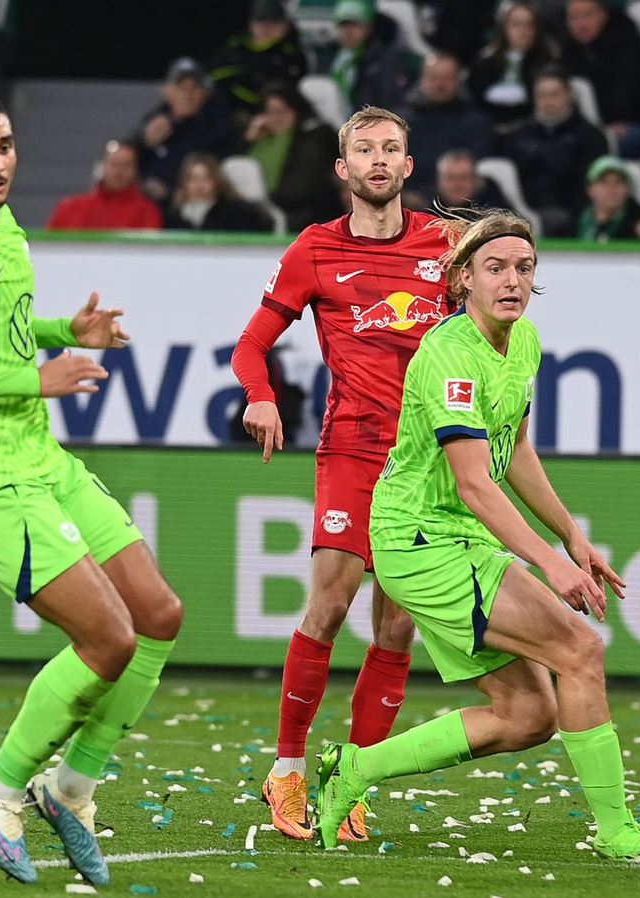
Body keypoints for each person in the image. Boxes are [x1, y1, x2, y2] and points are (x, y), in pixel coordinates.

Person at [312, 208, 640, 867]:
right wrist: (550, 565)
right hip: (421, 540)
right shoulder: (448, 355)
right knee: (580, 650)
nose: (512, 280)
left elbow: (514, 453)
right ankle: (616, 829)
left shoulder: (525, 341)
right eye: (495, 268)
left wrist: (571, 535)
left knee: (528, 715)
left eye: (524, 267)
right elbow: (475, 484)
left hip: (455, 538)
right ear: (463, 278)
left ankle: (354, 769)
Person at [232, 105, 453, 844]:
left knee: (398, 624)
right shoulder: (314, 249)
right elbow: (251, 344)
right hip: (354, 449)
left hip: (424, 460)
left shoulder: (446, 247)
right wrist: (261, 396)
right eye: (365, 149)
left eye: (391, 148)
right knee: (328, 606)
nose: (379, 160)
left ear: (409, 166)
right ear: (343, 167)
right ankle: (288, 769)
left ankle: (353, 777)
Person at [0, 96, 183, 884]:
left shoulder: (6, 228)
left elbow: (1, 335)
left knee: (158, 614)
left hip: (43, 456)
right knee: (109, 637)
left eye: (4, 145)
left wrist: (67, 332)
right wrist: (37, 379)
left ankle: (69, 789)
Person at [502, 69, 608, 237]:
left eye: (555, 94)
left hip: (576, 216)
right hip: (525, 213)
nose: (548, 101)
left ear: (569, 96)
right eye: (542, 95)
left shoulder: (590, 135)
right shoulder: (519, 135)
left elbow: (593, 182)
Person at [559, 0, 640, 158]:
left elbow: (630, 94)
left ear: (603, 15)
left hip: (634, 123)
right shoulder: (568, 49)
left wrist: (611, 124)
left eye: (587, 15)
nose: (580, 24)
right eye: (574, 17)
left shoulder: (627, 44)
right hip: (588, 126)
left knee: (590, 145)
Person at [131, 57, 235, 206]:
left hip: (189, 205)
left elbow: (214, 173)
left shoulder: (218, 128)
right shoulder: (154, 122)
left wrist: (169, 188)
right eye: (181, 88)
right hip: (143, 202)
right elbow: (126, 161)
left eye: (194, 88)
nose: (188, 95)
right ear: (166, 91)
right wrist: (143, 142)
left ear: (206, 93)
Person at [397, 52, 495, 205]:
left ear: (458, 80)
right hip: (409, 205)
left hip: (466, 205)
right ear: (422, 80)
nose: (440, 84)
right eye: (433, 77)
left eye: (447, 78)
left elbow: (480, 172)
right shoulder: (400, 124)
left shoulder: (477, 123)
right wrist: (403, 195)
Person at [244, 82, 343, 232]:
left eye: (281, 112)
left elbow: (302, 186)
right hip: (265, 213)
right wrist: (247, 141)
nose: (276, 118)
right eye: (270, 112)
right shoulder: (261, 139)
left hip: (307, 218)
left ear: (295, 110)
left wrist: (269, 204)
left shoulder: (313, 137)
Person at [468, 2, 558, 134]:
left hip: (531, 132)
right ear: (504, 28)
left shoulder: (547, 63)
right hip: (487, 130)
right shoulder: (485, 63)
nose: (523, 31)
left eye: (529, 25)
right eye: (517, 24)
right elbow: (473, 101)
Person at [209, 0, 308, 120]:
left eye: (273, 22)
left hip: (276, 117)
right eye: (260, 21)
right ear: (251, 24)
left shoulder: (293, 56)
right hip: (229, 115)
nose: (266, 27)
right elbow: (214, 78)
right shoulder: (234, 49)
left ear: (285, 26)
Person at [46, 139, 163, 231]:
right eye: (114, 164)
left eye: (126, 165)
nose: (119, 172)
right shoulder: (68, 208)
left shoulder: (147, 212)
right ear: (101, 167)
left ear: (136, 170)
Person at [326, 0, 412, 115]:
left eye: (355, 26)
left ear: (368, 28)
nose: (348, 32)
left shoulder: (384, 61)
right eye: (343, 26)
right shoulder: (331, 58)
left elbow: (390, 101)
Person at [163, 152, 273, 232]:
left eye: (206, 178)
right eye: (192, 178)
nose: (199, 185)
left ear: (217, 181)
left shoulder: (236, 212)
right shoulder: (174, 215)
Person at [578, 155, 640, 243]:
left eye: (618, 182)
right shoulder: (575, 217)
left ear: (627, 189)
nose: (611, 189)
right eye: (604, 183)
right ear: (590, 189)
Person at [430, 148, 509, 213]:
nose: (457, 185)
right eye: (450, 178)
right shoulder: (427, 212)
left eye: (463, 178)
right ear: (439, 181)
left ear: (476, 181)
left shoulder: (495, 212)